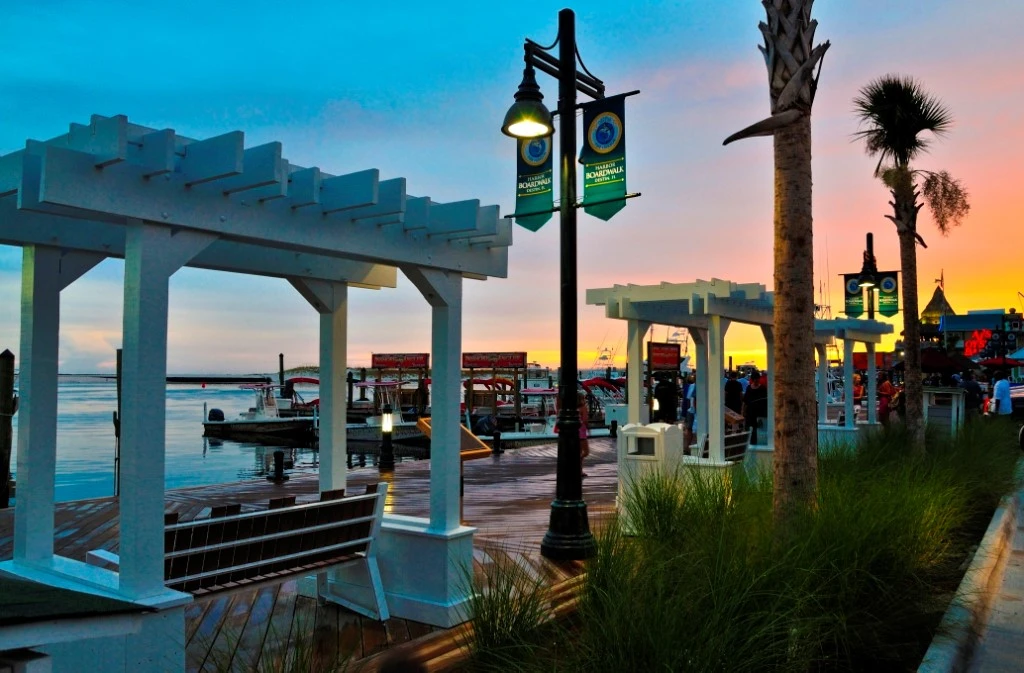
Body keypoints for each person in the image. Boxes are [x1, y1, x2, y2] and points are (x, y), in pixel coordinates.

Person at [742, 371, 768, 444]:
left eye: (757, 379)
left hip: (759, 413)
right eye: (755, 379)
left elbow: (765, 401)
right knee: (749, 429)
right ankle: (750, 443)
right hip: (750, 413)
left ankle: (756, 443)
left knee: (758, 430)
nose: (756, 381)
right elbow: (745, 401)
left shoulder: (763, 388)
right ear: (752, 379)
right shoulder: (749, 388)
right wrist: (743, 412)